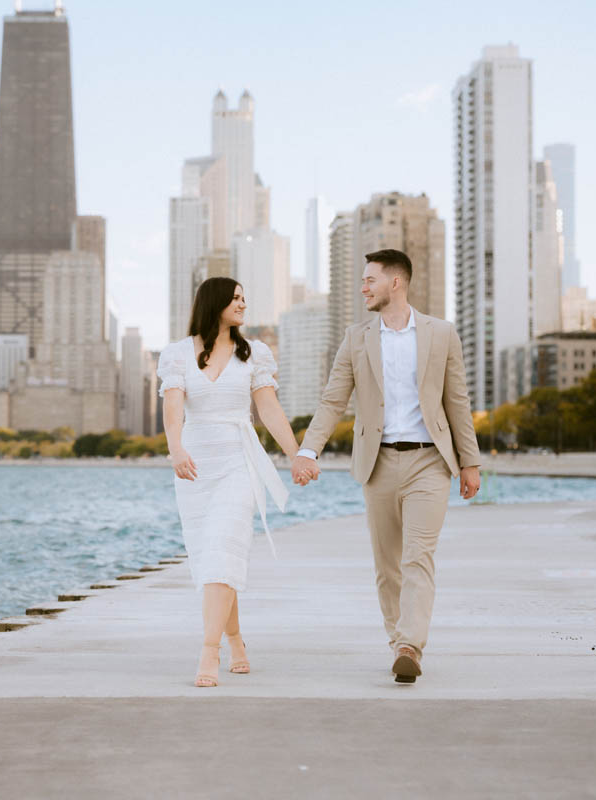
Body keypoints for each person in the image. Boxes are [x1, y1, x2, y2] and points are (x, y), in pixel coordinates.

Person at [292, 249, 482, 684]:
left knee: (419, 557)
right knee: (387, 565)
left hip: (429, 461)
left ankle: (410, 646)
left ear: (396, 282)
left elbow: (457, 402)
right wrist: (308, 450)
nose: (363, 287)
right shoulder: (356, 337)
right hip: (376, 464)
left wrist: (469, 462)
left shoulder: (441, 333)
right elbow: (332, 400)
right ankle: (398, 638)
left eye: (369, 280)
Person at [157, 277, 301, 687]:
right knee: (214, 561)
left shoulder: (255, 353)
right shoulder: (178, 354)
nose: (242, 304)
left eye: (244, 298)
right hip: (195, 466)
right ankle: (236, 639)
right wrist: (176, 450)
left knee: (224, 549)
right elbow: (172, 410)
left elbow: (269, 410)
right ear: (214, 302)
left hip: (239, 461)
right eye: (235, 298)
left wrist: (297, 455)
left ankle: (209, 652)